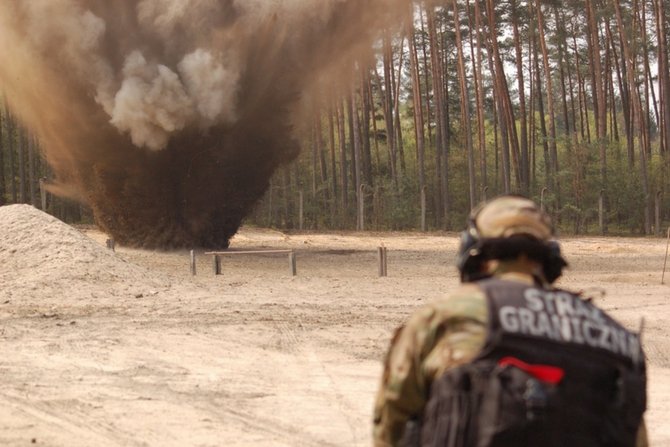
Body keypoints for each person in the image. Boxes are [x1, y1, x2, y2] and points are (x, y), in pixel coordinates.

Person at [373, 195, 647, 447]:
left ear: (472, 252)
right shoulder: (614, 337)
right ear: (549, 259)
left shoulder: (444, 316)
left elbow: (392, 418)